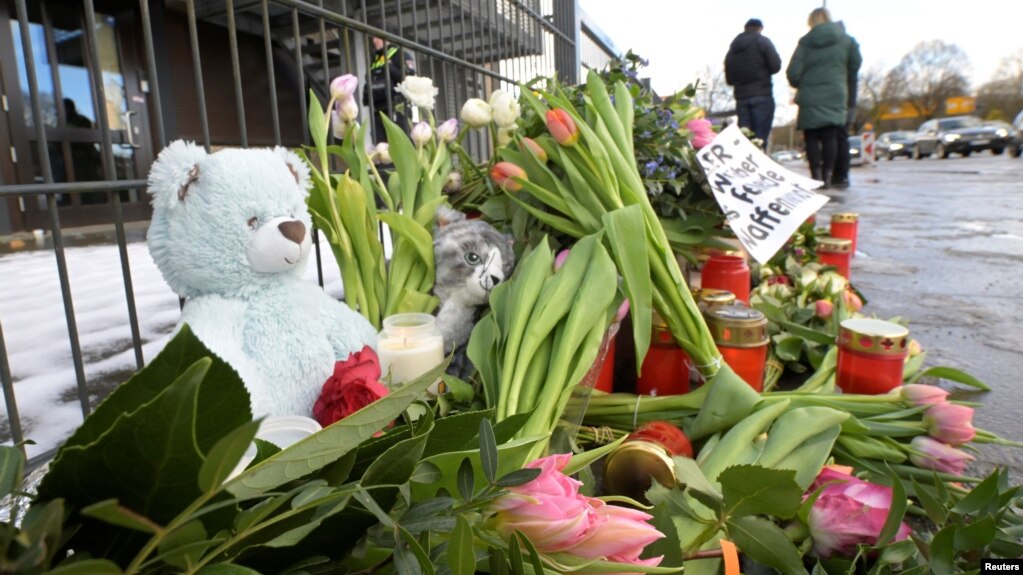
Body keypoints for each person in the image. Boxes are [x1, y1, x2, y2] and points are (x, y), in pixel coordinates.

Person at [786, 8, 862, 188]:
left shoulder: (805, 43)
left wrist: (804, 83)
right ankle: (828, 175)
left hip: (810, 95)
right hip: (835, 93)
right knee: (830, 136)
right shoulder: (846, 40)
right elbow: (855, 64)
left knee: (811, 137)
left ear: (811, 21)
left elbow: (793, 73)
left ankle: (816, 176)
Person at [724, 18, 782, 150]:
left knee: (744, 138)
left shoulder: (733, 48)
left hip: (741, 99)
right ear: (760, 28)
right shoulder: (763, 41)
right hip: (762, 95)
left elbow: (729, 79)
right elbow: (776, 66)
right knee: (760, 139)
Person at [363, 34, 413, 144]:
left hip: (397, 108)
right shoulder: (376, 58)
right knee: (381, 146)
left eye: (377, 37)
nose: (374, 41)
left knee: (400, 143)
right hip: (378, 110)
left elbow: (409, 78)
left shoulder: (400, 54)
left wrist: (389, 67)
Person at [830, 21, 861, 189]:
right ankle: (841, 176)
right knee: (841, 137)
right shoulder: (849, 48)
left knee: (835, 137)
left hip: (838, 101)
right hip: (847, 100)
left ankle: (837, 174)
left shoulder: (837, 52)